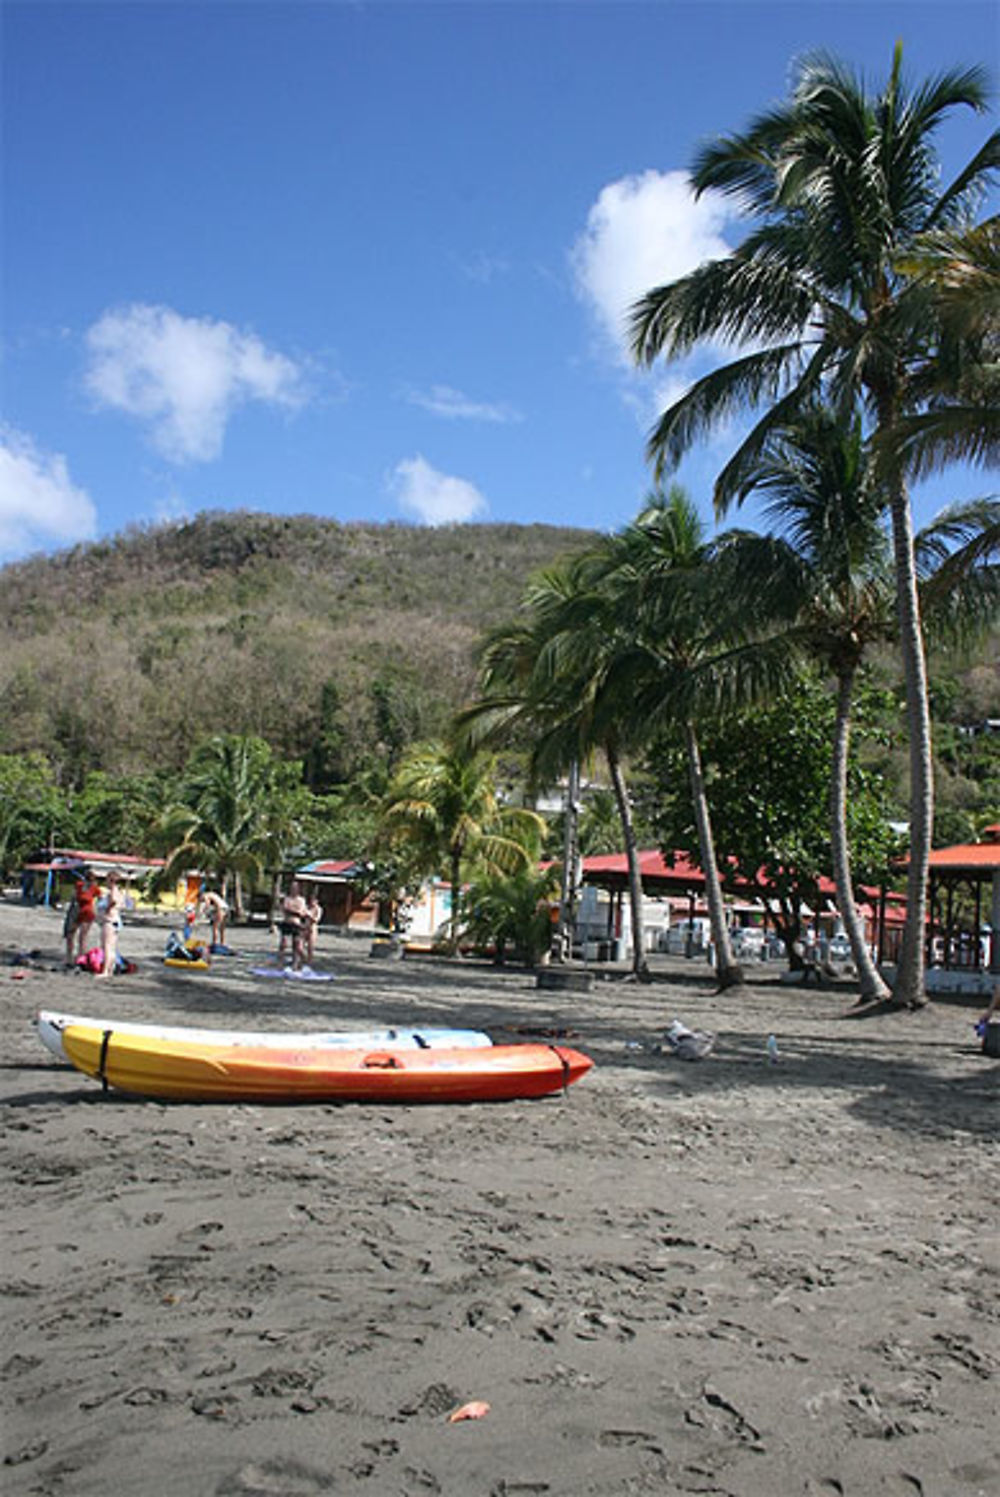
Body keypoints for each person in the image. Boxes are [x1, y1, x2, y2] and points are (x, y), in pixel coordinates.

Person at [98, 872, 127, 980]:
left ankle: (106, 971)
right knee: (111, 947)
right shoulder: (119, 892)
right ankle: (110, 969)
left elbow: (113, 901)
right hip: (115, 920)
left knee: (107, 947)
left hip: (110, 920)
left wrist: (107, 909)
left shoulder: (113, 892)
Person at [278, 880, 308, 970]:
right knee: (283, 944)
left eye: (295, 888)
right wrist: (292, 911)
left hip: (296, 924)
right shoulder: (287, 899)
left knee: (297, 945)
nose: (293, 889)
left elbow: (301, 912)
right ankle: (281, 962)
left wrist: (292, 911)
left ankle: (295, 964)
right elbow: (284, 910)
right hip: (287, 922)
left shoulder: (301, 900)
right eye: (292, 888)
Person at [74, 869, 101, 961]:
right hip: (81, 911)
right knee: (79, 935)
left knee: (82, 935)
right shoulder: (81, 886)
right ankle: (80, 954)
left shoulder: (92, 888)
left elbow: (100, 898)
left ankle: (81, 955)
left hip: (87, 912)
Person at [303, 888, 322, 967]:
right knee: (301, 945)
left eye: (313, 900)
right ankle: (302, 959)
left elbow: (317, 919)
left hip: (313, 928)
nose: (312, 902)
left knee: (310, 947)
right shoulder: (308, 907)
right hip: (305, 927)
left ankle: (309, 962)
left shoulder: (318, 909)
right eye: (311, 900)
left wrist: (310, 915)